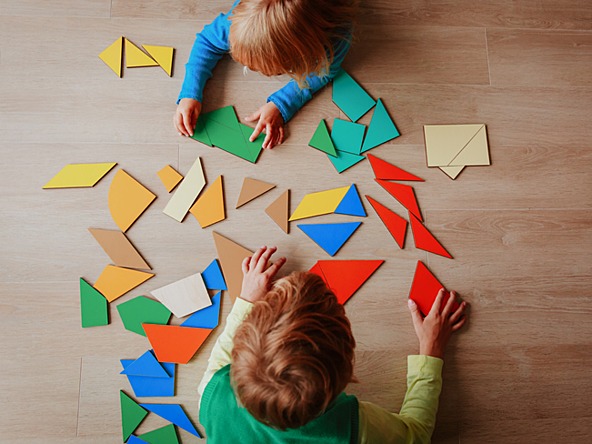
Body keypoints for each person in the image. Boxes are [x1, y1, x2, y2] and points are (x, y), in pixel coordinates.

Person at [198, 246, 469, 443]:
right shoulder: (352, 429)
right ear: (347, 368)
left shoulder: (212, 393)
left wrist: (247, 300)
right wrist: (430, 352)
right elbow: (417, 434)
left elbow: (221, 358)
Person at [174, 0, 359, 149]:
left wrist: (282, 103)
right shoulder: (240, 22)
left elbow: (323, 74)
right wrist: (191, 92)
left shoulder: (336, 39)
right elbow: (207, 42)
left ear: (302, 58)